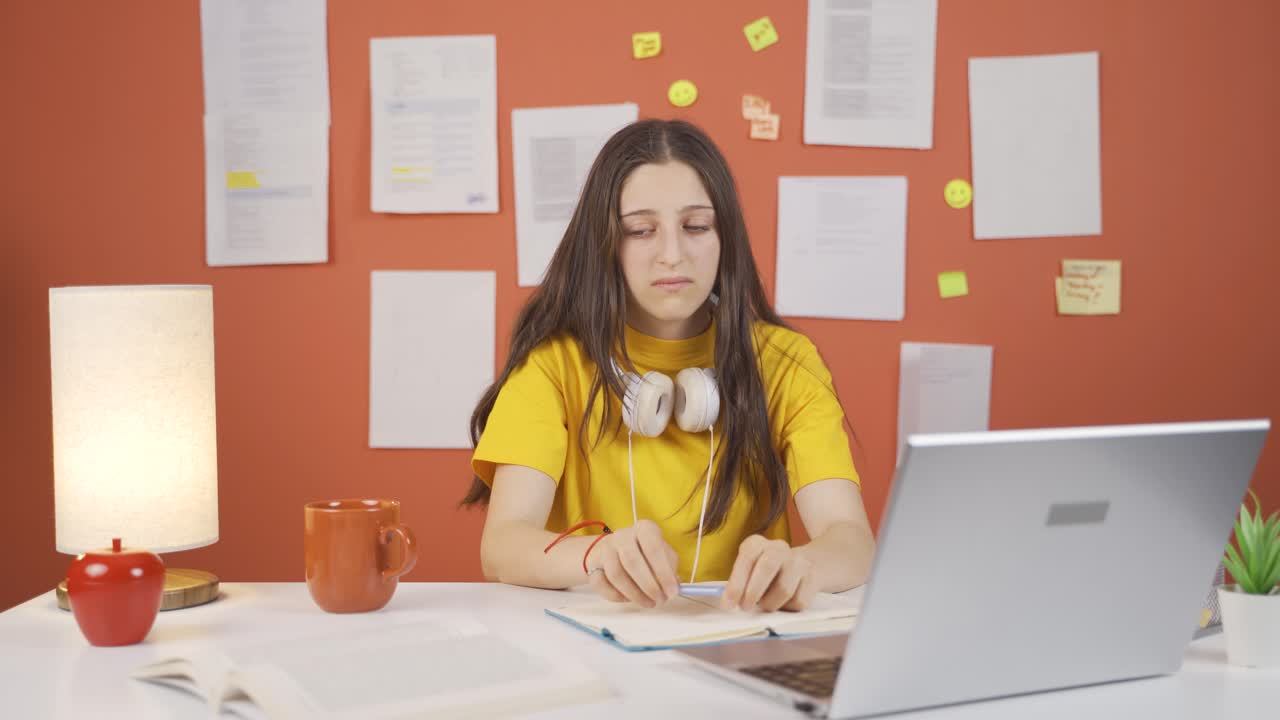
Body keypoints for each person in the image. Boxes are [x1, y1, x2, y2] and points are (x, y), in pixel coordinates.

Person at [463, 119, 874, 612]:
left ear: (725, 237)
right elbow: (503, 545)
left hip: (739, 630)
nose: (673, 255)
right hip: (596, 633)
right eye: (641, 231)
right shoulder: (553, 367)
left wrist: (803, 566)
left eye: (696, 226)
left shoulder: (786, 362)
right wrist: (597, 554)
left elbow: (851, 540)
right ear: (606, 243)